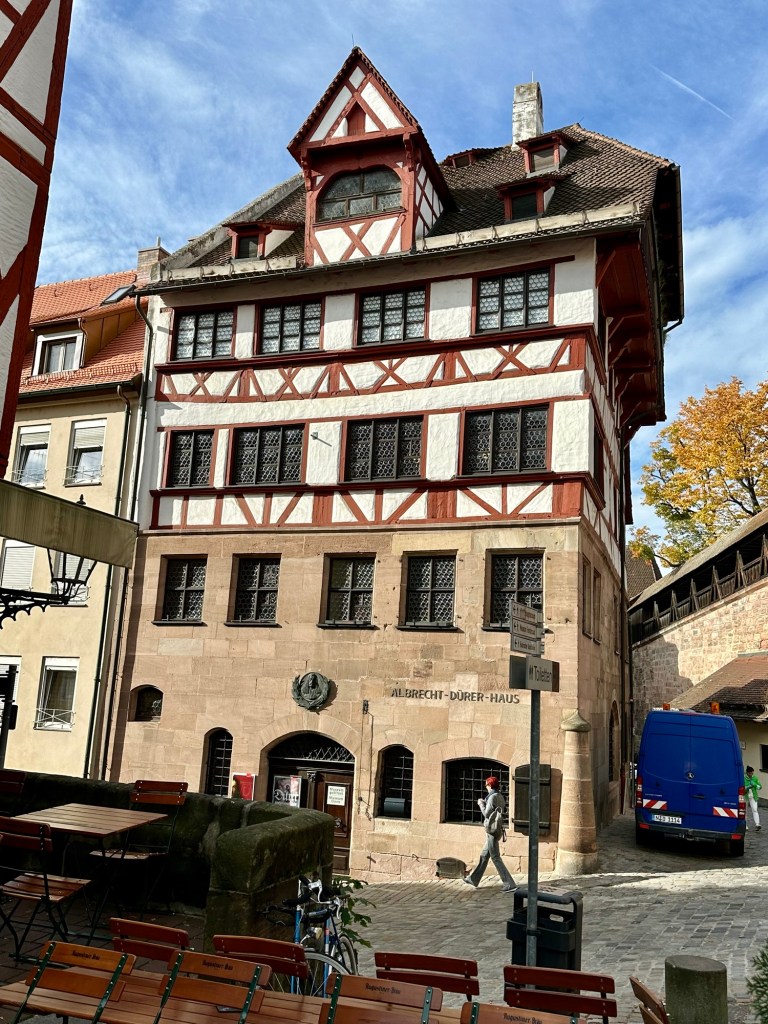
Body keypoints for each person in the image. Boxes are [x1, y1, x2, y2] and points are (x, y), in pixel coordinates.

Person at [464, 776, 516, 892]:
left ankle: (509, 884)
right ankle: (473, 879)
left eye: (486, 785)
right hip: (496, 829)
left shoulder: (492, 797)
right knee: (484, 855)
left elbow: (487, 814)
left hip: (492, 830)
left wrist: (481, 804)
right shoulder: (500, 796)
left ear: (490, 785)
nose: (486, 787)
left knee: (495, 857)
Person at [745, 766, 762, 831]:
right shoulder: (743, 778)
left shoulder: (754, 778)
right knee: (744, 811)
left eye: (752, 773)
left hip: (753, 796)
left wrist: (755, 785)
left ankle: (757, 824)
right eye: (751, 773)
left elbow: (760, 787)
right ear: (747, 773)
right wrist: (747, 787)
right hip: (745, 796)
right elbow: (742, 787)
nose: (752, 774)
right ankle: (745, 825)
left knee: (755, 809)